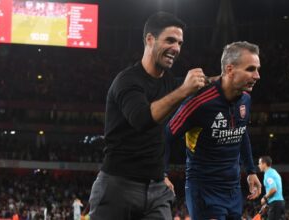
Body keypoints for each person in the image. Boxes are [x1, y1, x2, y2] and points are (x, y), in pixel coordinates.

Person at [89, 12, 209, 220]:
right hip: (117, 188)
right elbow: (142, 119)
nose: (176, 48)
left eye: (180, 43)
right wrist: (183, 91)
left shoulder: (170, 83)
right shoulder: (127, 81)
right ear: (150, 39)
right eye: (170, 40)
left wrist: (233, 77)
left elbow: (207, 83)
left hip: (157, 191)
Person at [165, 41, 262, 220]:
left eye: (257, 69)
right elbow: (166, 135)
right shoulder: (199, 102)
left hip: (233, 190)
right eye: (250, 69)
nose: (257, 75)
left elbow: (241, 134)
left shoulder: (246, 100)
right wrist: (161, 173)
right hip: (204, 190)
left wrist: (250, 171)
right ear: (230, 69)